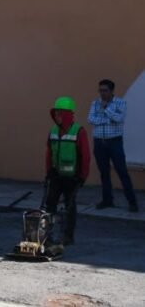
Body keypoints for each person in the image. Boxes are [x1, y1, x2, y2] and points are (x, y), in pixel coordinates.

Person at [42, 96, 90, 246]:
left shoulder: (79, 131)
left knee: (69, 207)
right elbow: (49, 153)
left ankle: (68, 236)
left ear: (67, 114)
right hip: (56, 176)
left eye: (60, 113)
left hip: (72, 177)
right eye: (55, 114)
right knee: (50, 206)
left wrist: (82, 176)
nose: (57, 117)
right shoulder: (53, 131)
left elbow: (85, 156)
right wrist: (49, 171)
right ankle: (46, 235)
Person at [88, 79, 139, 212]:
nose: (102, 93)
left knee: (122, 171)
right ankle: (107, 200)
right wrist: (107, 119)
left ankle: (132, 202)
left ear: (111, 91)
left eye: (105, 90)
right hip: (99, 142)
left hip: (114, 142)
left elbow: (119, 119)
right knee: (104, 173)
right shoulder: (95, 103)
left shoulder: (120, 103)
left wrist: (106, 109)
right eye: (100, 90)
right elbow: (91, 119)